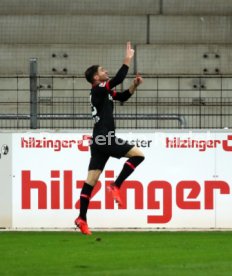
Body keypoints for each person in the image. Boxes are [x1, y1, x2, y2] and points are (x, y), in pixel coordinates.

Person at [75, 42, 145, 235]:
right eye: (103, 70)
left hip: (98, 140)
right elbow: (119, 78)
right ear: (96, 77)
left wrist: (134, 85)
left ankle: (82, 218)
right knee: (138, 155)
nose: (106, 72)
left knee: (91, 181)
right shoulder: (98, 89)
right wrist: (128, 58)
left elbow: (122, 96)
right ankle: (116, 185)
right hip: (105, 138)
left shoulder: (103, 92)